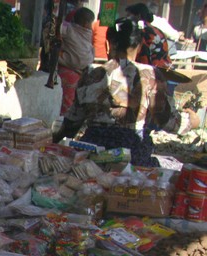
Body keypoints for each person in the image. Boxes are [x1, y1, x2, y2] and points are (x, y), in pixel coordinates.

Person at [53, 18, 196, 167]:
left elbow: (71, 123)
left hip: (93, 155)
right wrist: (192, 121)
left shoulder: (91, 74)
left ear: (108, 45)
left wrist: (53, 142)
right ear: (139, 46)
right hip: (133, 155)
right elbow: (170, 123)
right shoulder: (151, 75)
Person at [58, 7, 95, 115]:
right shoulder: (71, 29)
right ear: (85, 23)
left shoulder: (83, 32)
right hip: (75, 66)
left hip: (79, 68)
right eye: (90, 23)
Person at [126, 2, 172, 69]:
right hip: (165, 68)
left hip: (150, 69)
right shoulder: (157, 30)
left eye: (128, 16)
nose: (127, 19)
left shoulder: (138, 31)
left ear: (138, 16)